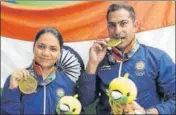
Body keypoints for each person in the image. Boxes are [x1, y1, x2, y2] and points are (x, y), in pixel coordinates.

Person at [78, 4, 175, 114]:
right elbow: (84, 100)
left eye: (123, 23)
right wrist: (92, 63)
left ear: (135, 26)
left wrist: (147, 113)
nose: (117, 31)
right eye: (112, 25)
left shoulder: (157, 58)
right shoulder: (99, 59)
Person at [1, 27, 78, 114]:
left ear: (59, 53)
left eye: (53, 49)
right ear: (33, 48)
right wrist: (12, 90)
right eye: (41, 47)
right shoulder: (16, 79)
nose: (46, 53)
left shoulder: (68, 83)